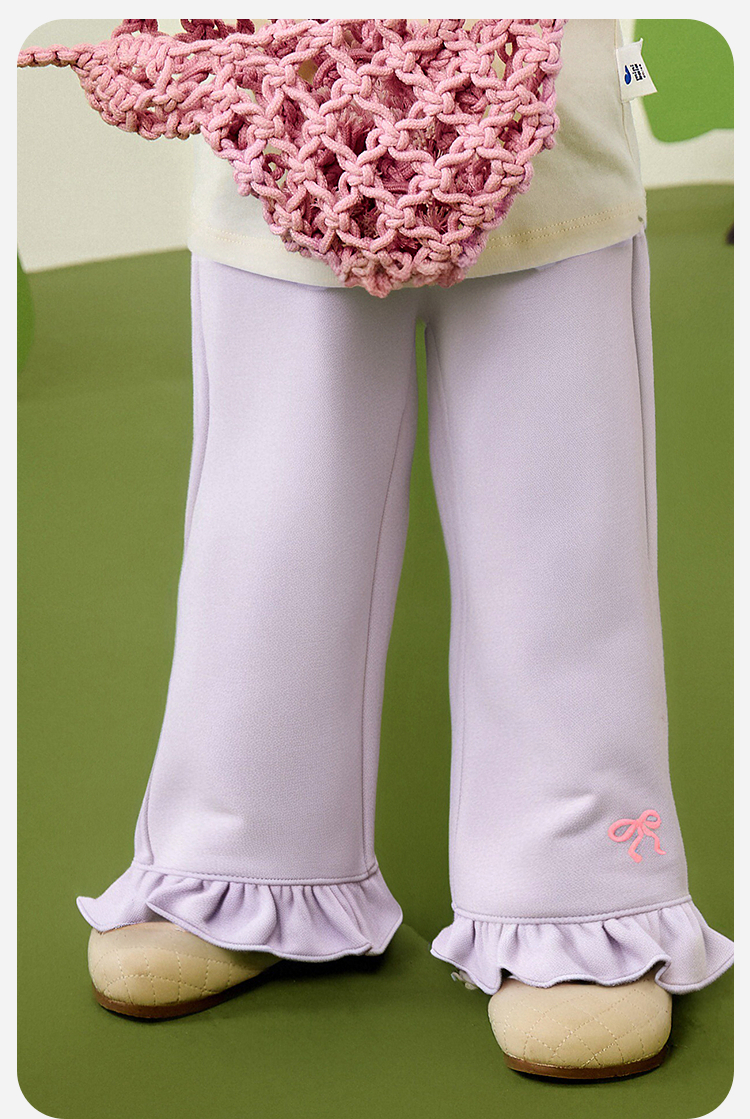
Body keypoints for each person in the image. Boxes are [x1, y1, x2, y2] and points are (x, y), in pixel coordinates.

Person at [24, 19, 733, 1078]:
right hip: (278, 113)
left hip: (540, 117)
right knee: (269, 524)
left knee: (561, 533)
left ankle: (584, 883)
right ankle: (243, 853)